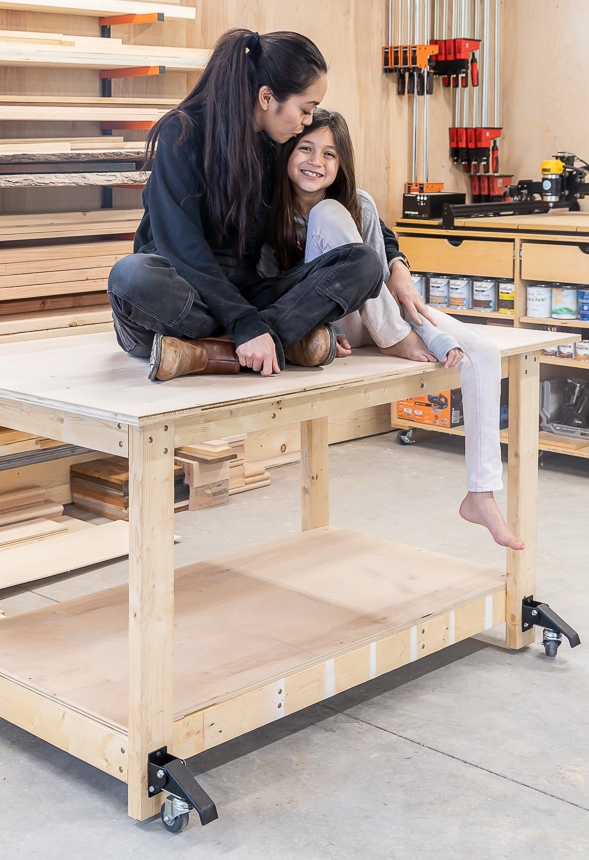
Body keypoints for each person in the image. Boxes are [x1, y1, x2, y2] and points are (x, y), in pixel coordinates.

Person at [264, 107, 523, 551]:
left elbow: (379, 267)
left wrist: (400, 268)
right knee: (327, 215)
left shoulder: (358, 204)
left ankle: (481, 494)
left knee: (482, 349)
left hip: (374, 315)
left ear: (341, 162)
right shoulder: (269, 211)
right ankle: (404, 338)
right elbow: (269, 286)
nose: (316, 161)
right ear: (288, 151)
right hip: (328, 322)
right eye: (305, 148)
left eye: (330, 153)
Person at [107, 29, 384, 382]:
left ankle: (211, 353)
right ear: (267, 97)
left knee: (363, 262)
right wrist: (244, 322)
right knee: (131, 277)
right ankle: (275, 339)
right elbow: (180, 249)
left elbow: (344, 198)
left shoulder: (274, 145)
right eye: (305, 108)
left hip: (247, 295)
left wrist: (394, 259)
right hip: (184, 289)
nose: (309, 120)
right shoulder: (182, 134)